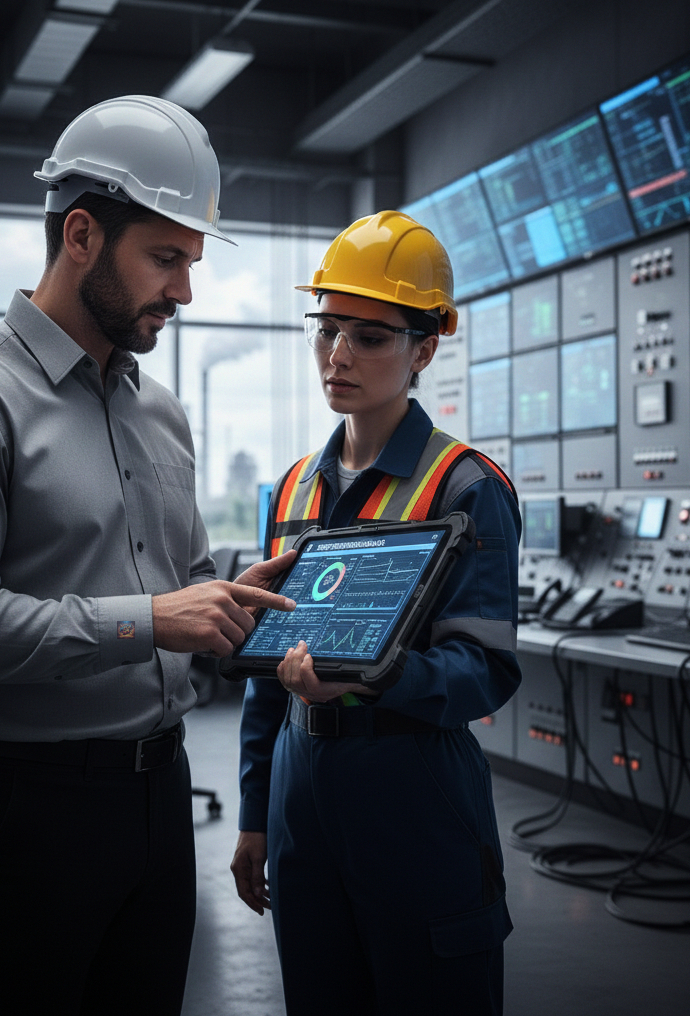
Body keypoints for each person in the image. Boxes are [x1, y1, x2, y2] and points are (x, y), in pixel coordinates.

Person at [0, 95, 296, 1016]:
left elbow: (179, 582)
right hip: (25, 810)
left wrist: (223, 604)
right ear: (80, 235)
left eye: (190, 261)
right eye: (165, 259)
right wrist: (151, 621)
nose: (184, 292)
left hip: (160, 794)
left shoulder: (160, 411)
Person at [230, 210, 521, 1015]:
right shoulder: (294, 489)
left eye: (370, 335)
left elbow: (484, 667)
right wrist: (256, 812)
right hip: (301, 791)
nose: (339, 355)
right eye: (326, 330)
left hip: (412, 789)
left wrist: (370, 676)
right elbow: (265, 668)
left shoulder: (466, 489)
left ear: (425, 347)